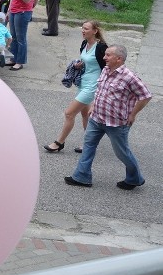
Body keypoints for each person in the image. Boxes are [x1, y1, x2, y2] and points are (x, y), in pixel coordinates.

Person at [65, 45, 152, 190]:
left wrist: (133, 114)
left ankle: (134, 178)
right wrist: (93, 106)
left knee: (122, 153)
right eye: (105, 55)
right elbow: (100, 90)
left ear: (119, 59)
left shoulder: (129, 77)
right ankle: (82, 176)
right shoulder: (105, 70)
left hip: (116, 123)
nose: (104, 57)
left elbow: (145, 96)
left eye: (108, 55)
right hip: (97, 118)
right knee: (88, 146)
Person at [44, 21, 107, 153]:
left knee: (69, 113)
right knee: (85, 114)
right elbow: (87, 61)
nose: (83, 31)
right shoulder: (84, 43)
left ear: (95, 31)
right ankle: (89, 144)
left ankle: (59, 143)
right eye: (82, 28)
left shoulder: (101, 47)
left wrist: (103, 88)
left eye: (86, 29)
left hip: (93, 86)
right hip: (83, 83)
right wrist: (79, 65)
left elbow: (106, 67)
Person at [5, 0, 38, 71]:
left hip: (23, 12)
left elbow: (28, 0)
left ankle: (20, 61)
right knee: (13, 36)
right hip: (14, 11)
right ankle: (13, 58)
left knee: (20, 38)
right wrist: (9, 11)